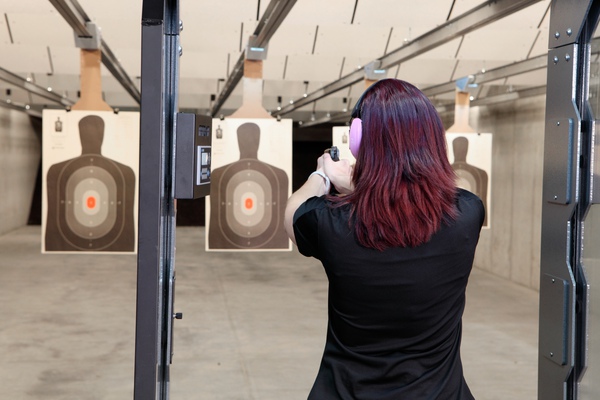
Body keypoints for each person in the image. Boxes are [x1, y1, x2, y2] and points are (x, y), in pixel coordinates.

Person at [284, 78, 484, 399]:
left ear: (359, 139)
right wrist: (365, 189)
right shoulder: (469, 213)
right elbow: (412, 210)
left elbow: (292, 214)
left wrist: (322, 175)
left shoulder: (331, 223)